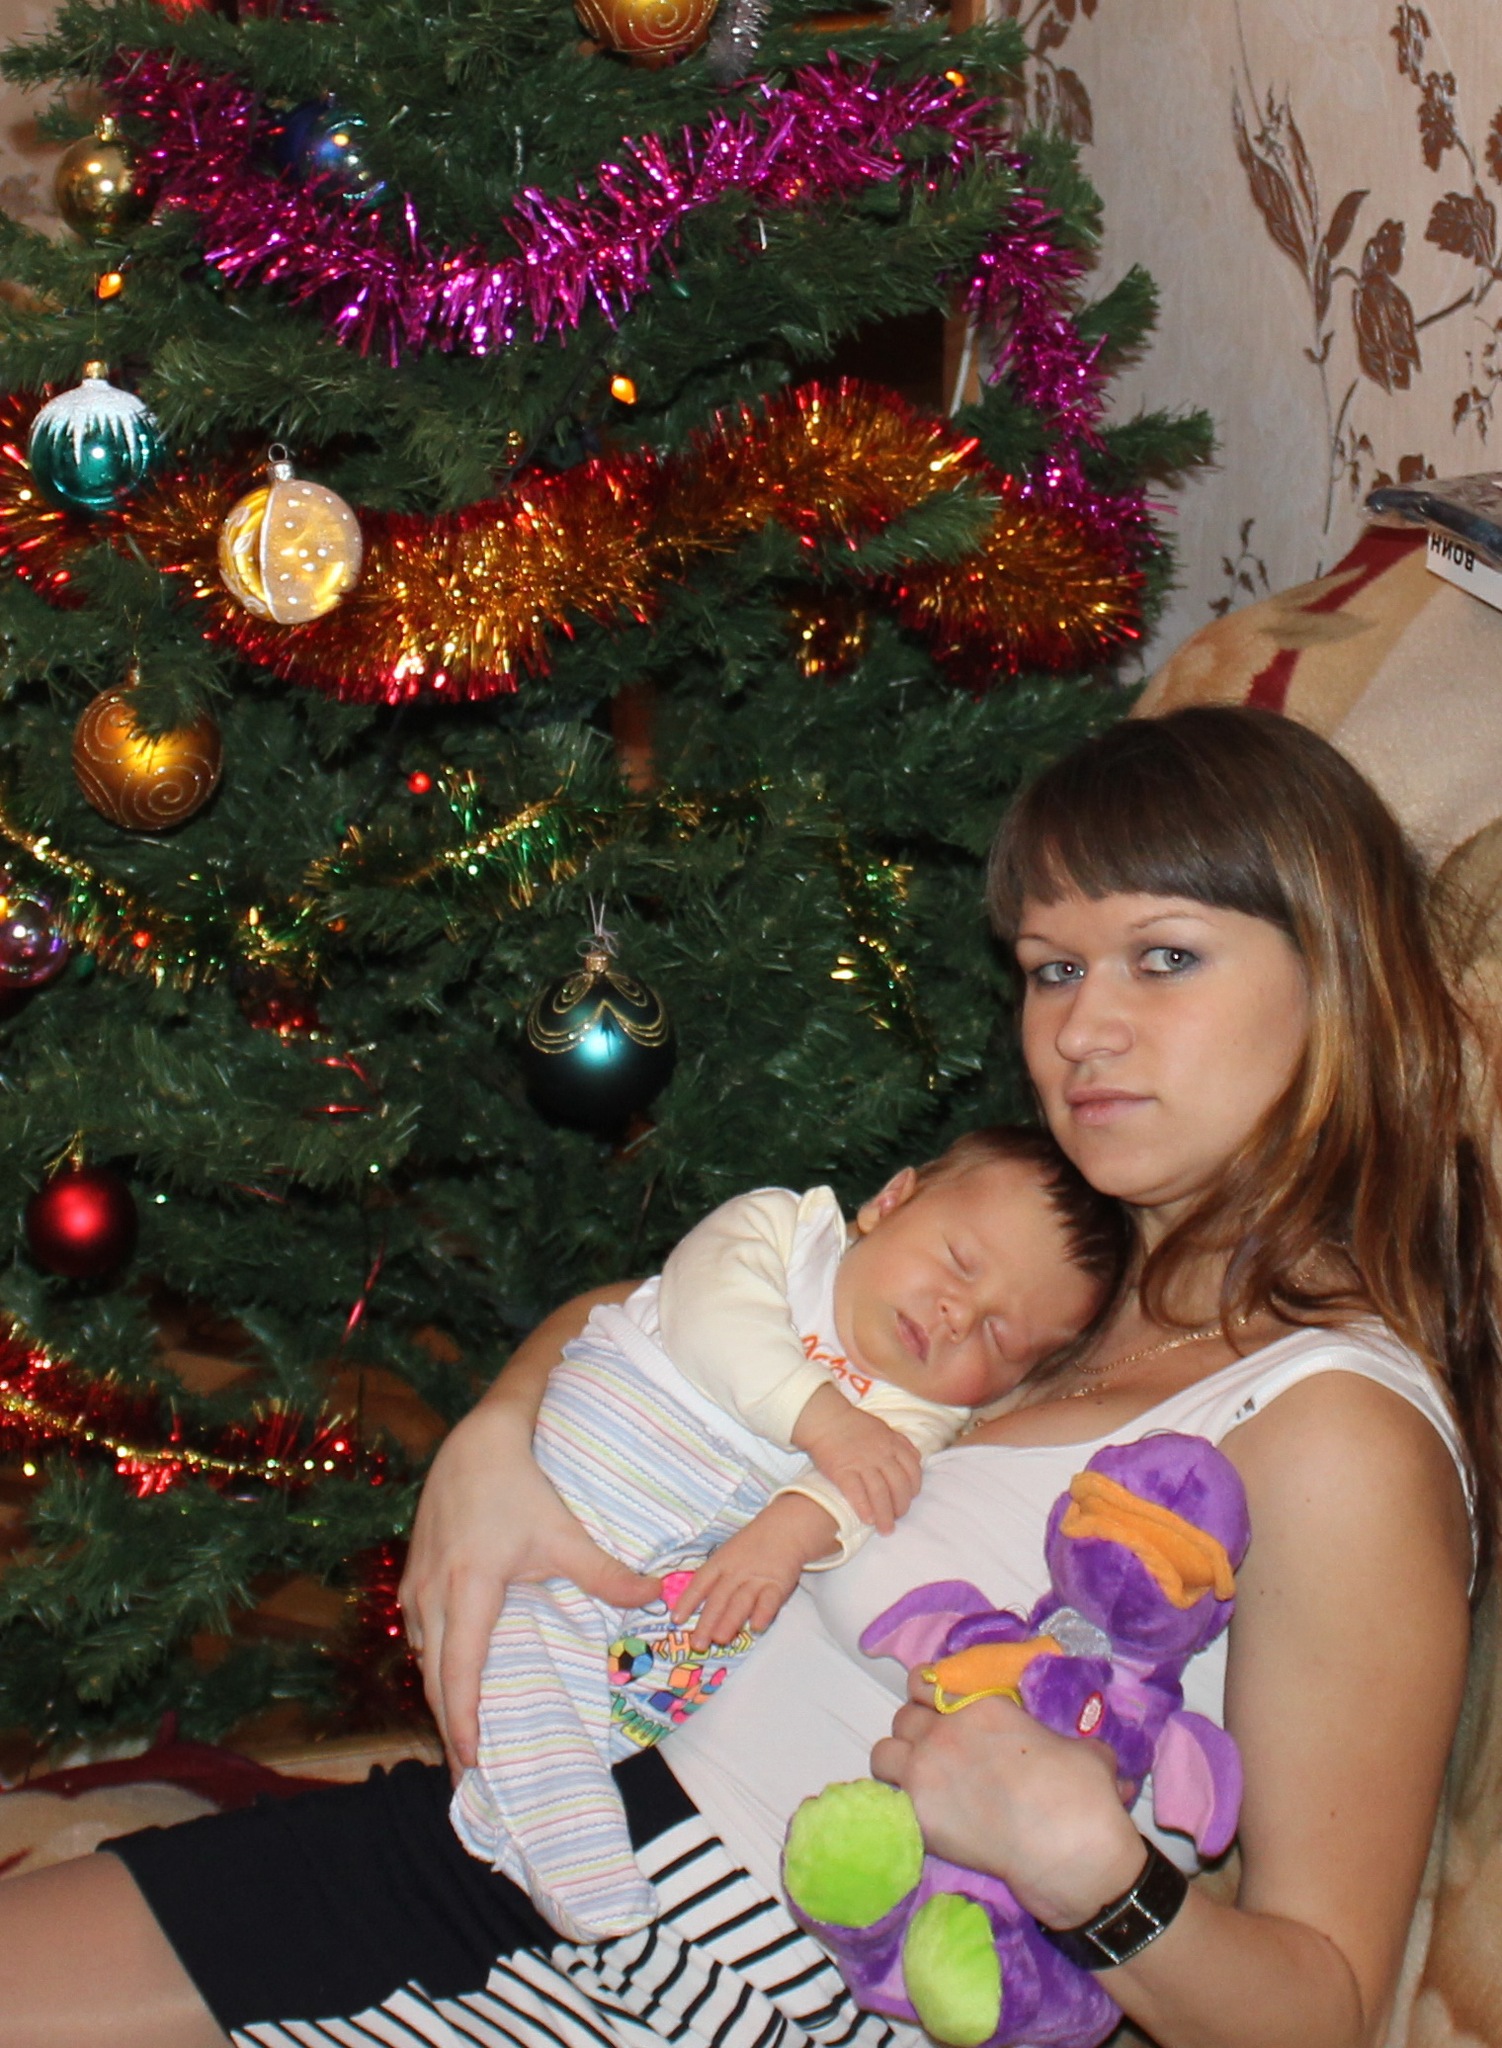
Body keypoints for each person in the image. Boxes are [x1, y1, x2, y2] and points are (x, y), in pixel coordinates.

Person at [0, 704, 1491, 2048]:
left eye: (1163, 956)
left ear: (1336, 975)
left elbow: (1327, 2006)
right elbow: (677, 1310)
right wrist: (497, 1438)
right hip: (521, 1824)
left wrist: (1095, 1874)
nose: (1079, 1030)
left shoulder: (1333, 1427)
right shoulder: (1059, 1294)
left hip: (697, 1974)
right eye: (1051, 968)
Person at [451, 1126, 1126, 1941]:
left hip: (675, 1567)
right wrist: (824, 1420)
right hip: (587, 1478)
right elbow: (712, 1314)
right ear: (891, 1201)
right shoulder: (783, 1232)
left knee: (644, 1670)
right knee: (529, 1625)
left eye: (998, 1338)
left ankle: (513, 1793)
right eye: (959, 1262)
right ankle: (567, 1833)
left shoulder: (920, 1412)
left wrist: (789, 1530)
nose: (957, 1315)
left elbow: (867, 1490)